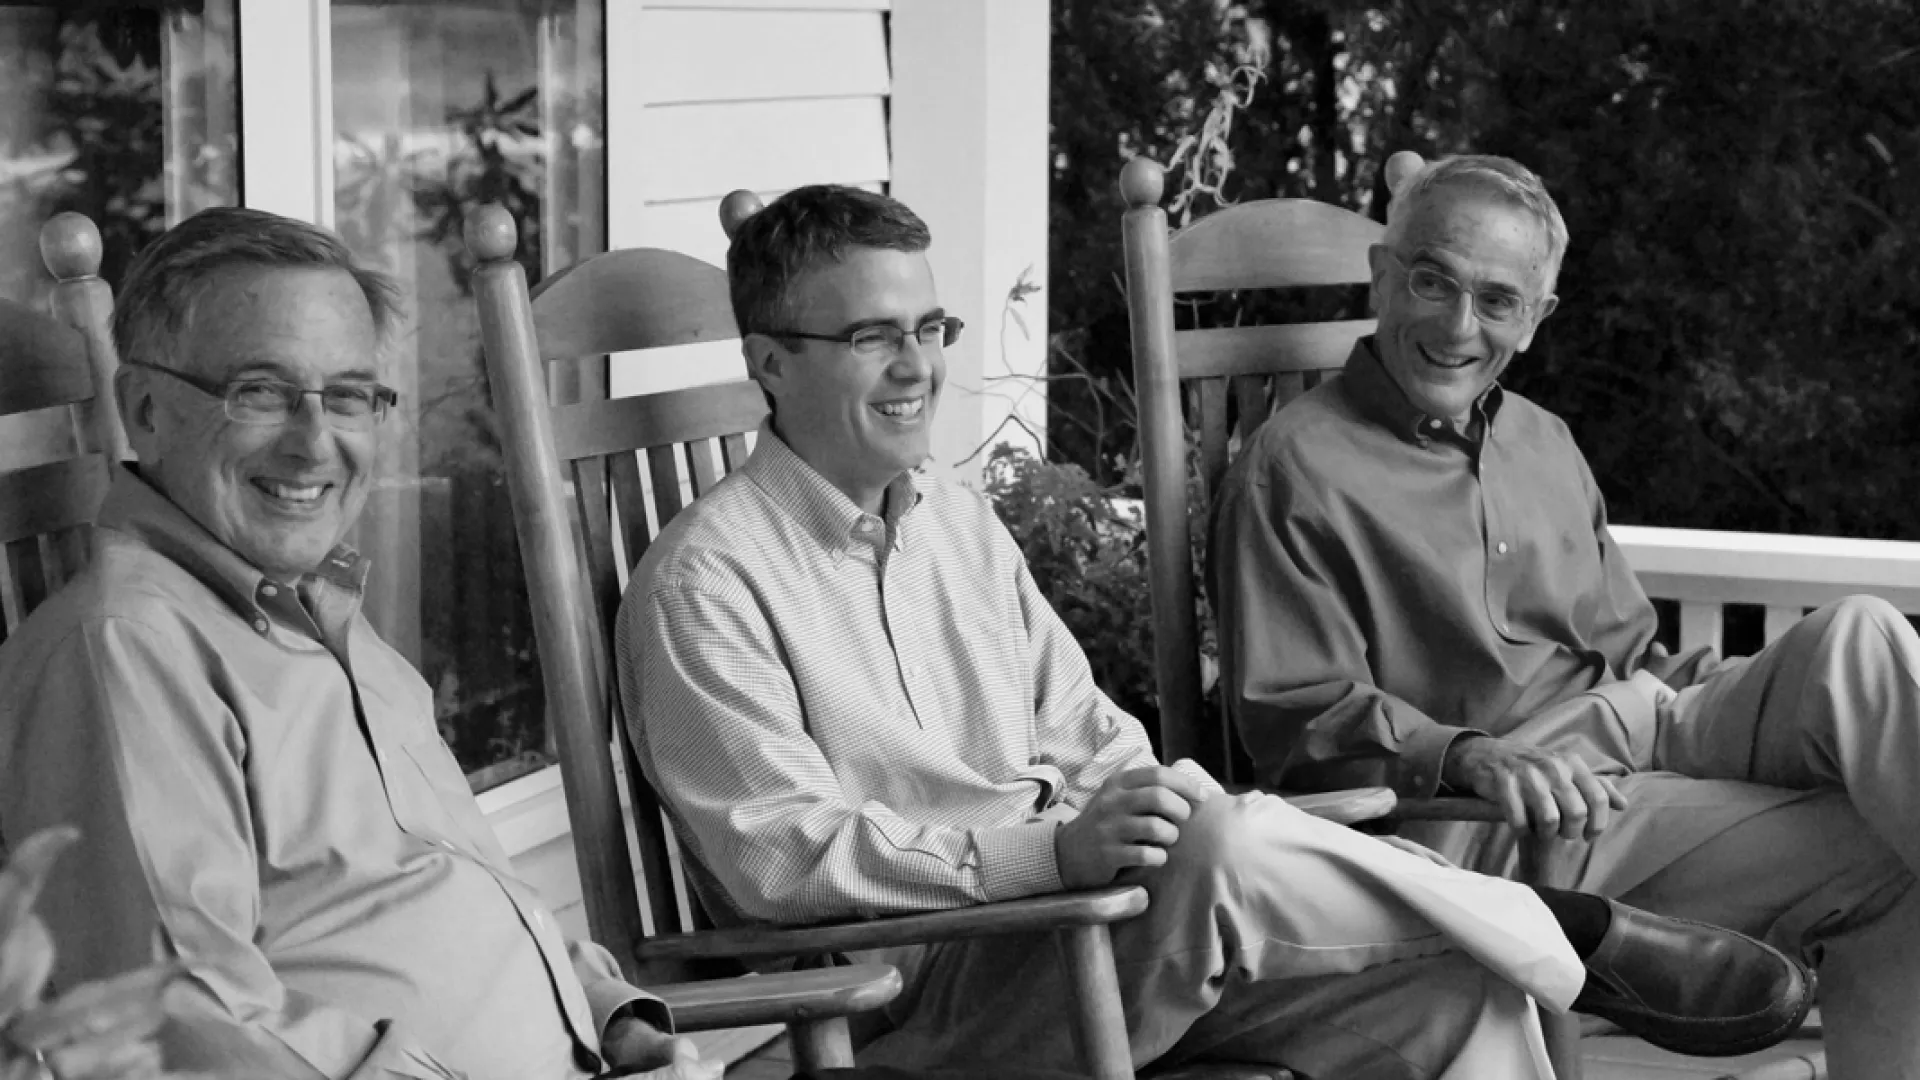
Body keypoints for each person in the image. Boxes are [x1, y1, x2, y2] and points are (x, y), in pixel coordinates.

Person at [615, 183, 1811, 1080]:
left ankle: (1525, 938)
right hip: (932, 997)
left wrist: (1147, 811)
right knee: (1225, 853)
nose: (917, 366)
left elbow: (1090, 733)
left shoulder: (954, 526)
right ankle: (1558, 926)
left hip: (1113, 942)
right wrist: (1057, 858)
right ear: (770, 361)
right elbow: (786, 860)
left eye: (932, 329)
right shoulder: (705, 585)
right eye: (874, 337)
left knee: (1464, 999)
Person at [1213, 151, 1920, 1079]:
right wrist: (1467, 752)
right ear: (1385, 277)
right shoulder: (1292, 468)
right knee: (1885, 853)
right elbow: (1294, 720)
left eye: (1497, 300)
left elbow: (1636, 653)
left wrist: (1754, 698)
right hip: (1505, 815)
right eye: (1433, 281)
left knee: (1862, 632)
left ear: (1535, 320)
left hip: (1638, 730)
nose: (1459, 326)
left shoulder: (1543, 441)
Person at [0, 208, 721, 1080]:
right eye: (259, 391)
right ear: (144, 409)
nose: (315, 447)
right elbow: (186, 1026)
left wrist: (616, 1024)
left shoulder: (323, 608)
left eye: (347, 396)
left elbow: (460, 885)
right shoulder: (124, 650)